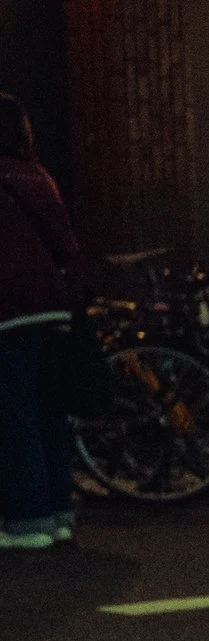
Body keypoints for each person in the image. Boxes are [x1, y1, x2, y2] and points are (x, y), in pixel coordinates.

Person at [0, 92, 79, 551]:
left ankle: (29, 521)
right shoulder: (38, 176)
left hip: (10, 310)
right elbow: (67, 244)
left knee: (17, 415)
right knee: (49, 411)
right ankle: (59, 513)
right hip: (52, 306)